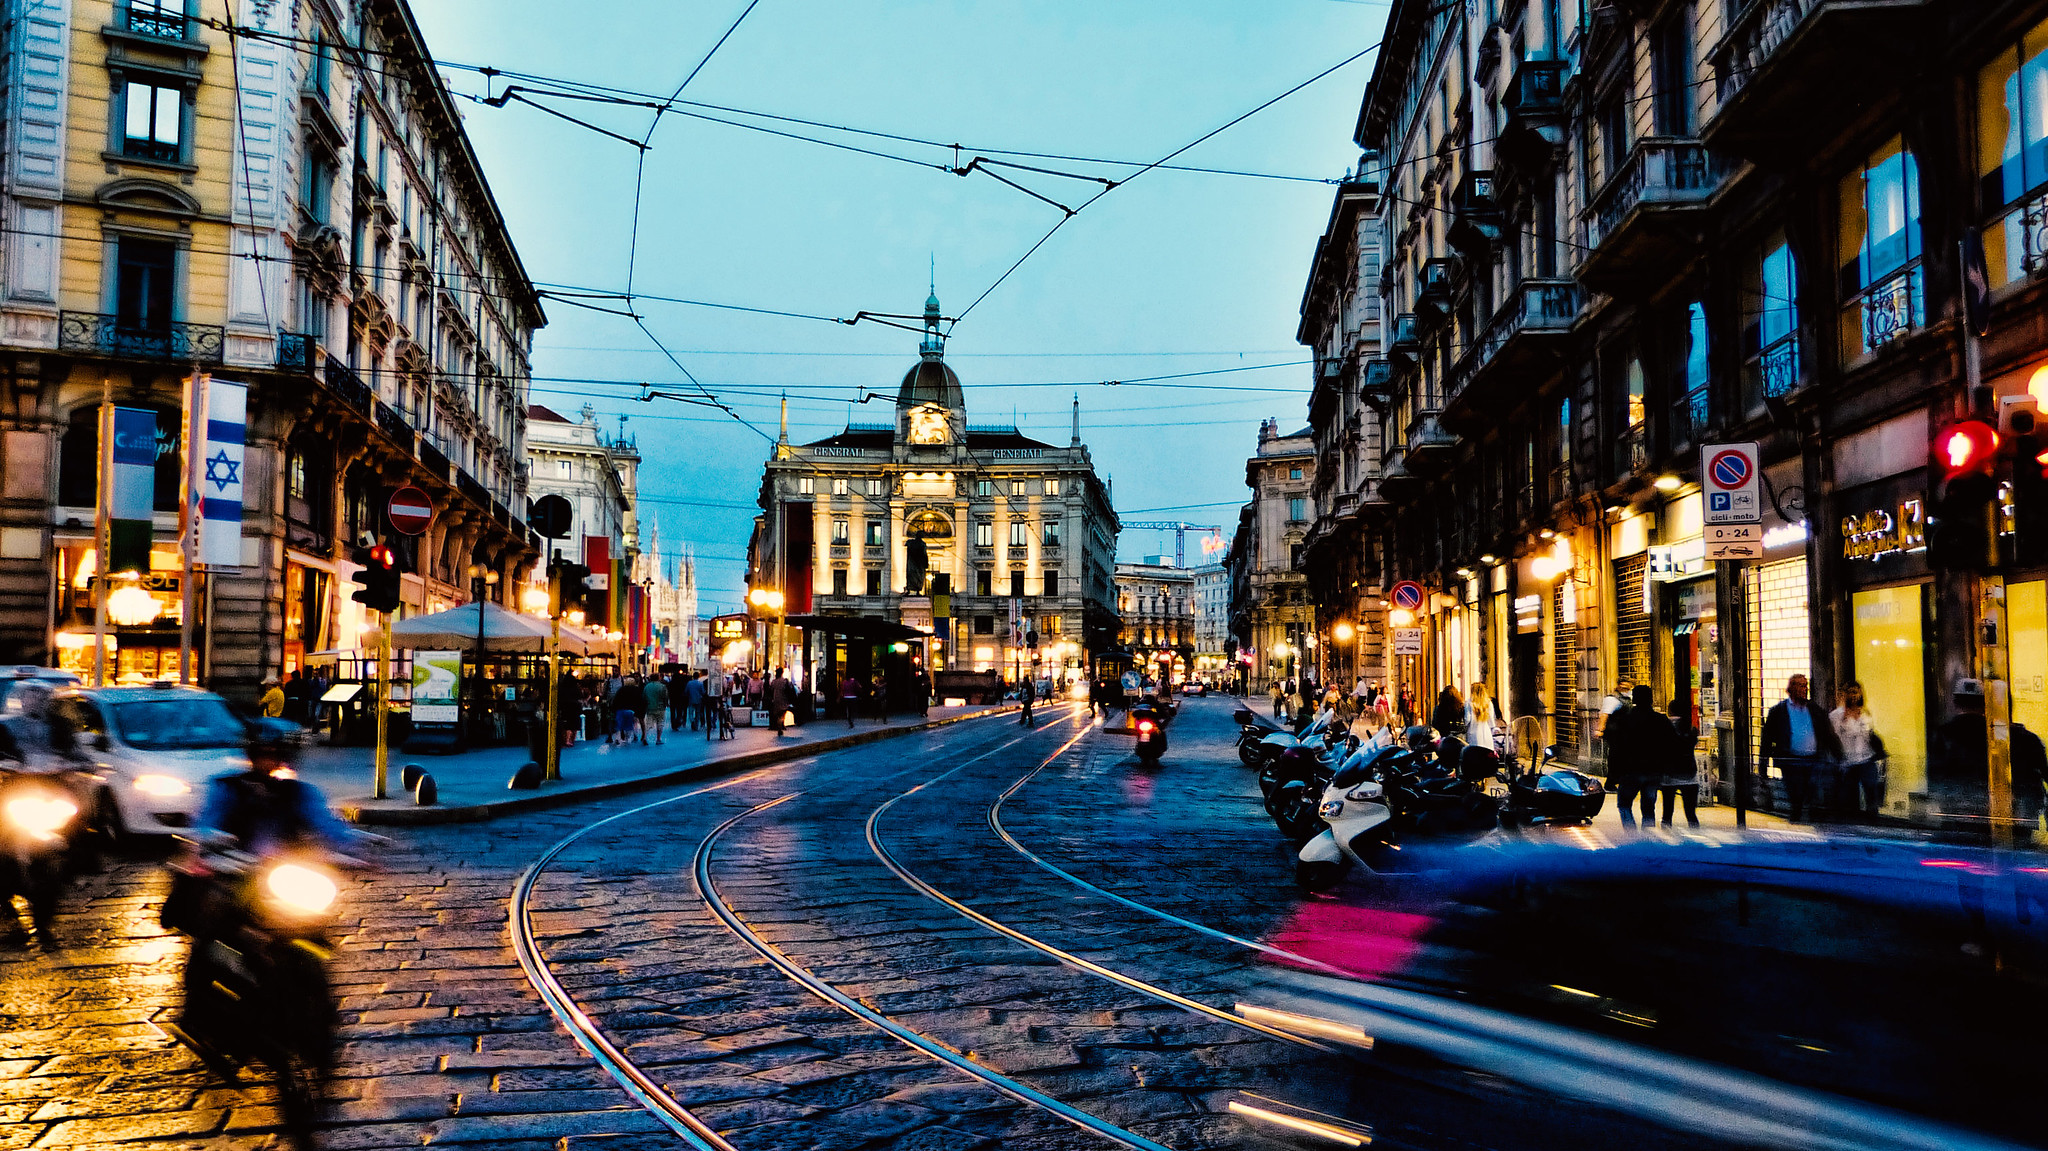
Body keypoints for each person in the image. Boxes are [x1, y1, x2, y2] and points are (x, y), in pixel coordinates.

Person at [1928, 677, 2048, 835]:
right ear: (1985, 703)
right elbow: (2042, 773)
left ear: (1955, 703)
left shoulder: (1941, 736)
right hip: (2014, 823)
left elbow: (1934, 779)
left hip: (1959, 823)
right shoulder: (2018, 737)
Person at [1759, 673, 1840, 822]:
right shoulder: (1778, 711)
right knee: (1795, 792)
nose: (1805, 689)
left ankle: (1808, 816)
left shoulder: (1815, 709)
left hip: (1813, 759)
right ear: (1792, 688)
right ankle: (1796, 818)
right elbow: (1767, 740)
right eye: (1801, 686)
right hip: (1791, 760)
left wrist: (1838, 756)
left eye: (1805, 685)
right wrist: (1763, 767)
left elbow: (1828, 734)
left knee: (1811, 790)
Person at [1601, 685, 1669, 830]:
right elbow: (1670, 744)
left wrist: (1615, 772)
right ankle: (1647, 836)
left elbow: (1615, 746)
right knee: (1649, 807)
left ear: (1635, 699)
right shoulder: (1660, 719)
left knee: (1624, 805)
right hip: (1653, 770)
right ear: (1651, 699)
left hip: (1629, 770)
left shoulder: (1624, 719)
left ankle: (1631, 834)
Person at [1829, 681, 1884, 818]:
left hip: (1866, 758)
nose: (1854, 695)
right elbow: (1834, 738)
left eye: (1856, 692)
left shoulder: (1865, 713)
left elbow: (1869, 733)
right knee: (1849, 793)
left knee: (1871, 789)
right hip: (1848, 761)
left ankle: (1872, 817)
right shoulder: (1836, 715)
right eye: (1851, 692)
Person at [1662, 696, 1703, 828]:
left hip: (1668, 775)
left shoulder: (1664, 726)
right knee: (1691, 814)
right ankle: (1696, 841)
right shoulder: (1690, 728)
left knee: (1667, 814)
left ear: (1670, 711)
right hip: (1689, 774)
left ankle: (1666, 842)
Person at [612, 675, 645, 746]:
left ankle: (617, 738)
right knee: (629, 725)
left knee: (619, 725)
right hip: (631, 711)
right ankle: (628, 739)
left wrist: (614, 709)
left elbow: (616, 700)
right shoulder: (636, 690)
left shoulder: (621, 690)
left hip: (621, 710)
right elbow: (640, 701)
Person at [1465, 684, 1497, 755]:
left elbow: (1467, 720)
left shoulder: (1469, 703)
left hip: (1473, 734)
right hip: (1486, 734)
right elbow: (1491, 721)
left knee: (1475, 756)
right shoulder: (1488, 703)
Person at [640, 672, 668, 746]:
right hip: (660, 707)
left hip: (650, 707)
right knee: (660, 723)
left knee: (648, 723)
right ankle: (658, 739)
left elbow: (643, 697)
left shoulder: (647, 687)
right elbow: (665, 697)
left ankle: (645, 737)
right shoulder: (662, 686)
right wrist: (665, 705)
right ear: (658, 678)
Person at [767, 669, 795, 736]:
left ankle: (780, 726)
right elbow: (789, 690)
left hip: (776, 700)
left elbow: (771, 690)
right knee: (782, 714)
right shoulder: (785, 681)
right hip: (784, 699)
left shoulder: (774, 682)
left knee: (778, 714)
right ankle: (781, 725)